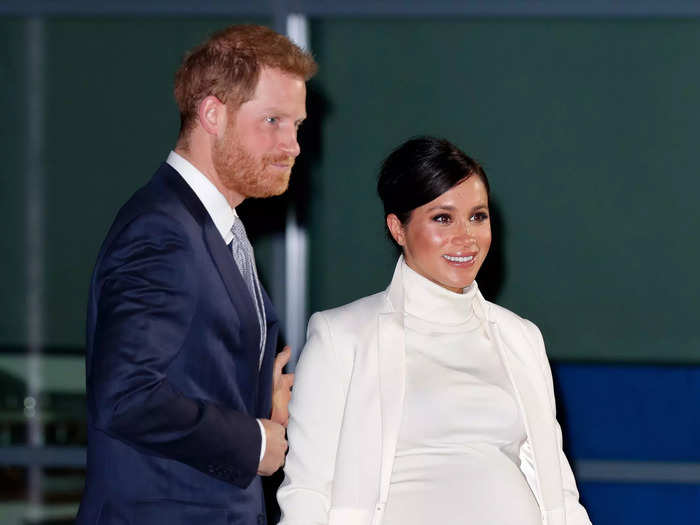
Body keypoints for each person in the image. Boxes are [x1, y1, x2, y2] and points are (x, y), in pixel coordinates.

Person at [277, 137, 592, 525]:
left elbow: (558, 489)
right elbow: (307, 490)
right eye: (443, 218)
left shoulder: (521, 337)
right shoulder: (341, 336)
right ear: (398, 228)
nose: (466, 237)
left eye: (478, 216)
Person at [76, 25, 317, 525]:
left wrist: (257, 399)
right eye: (273, 120)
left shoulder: (207, 227)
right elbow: (125, 397)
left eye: (297, 125)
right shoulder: (162, 230)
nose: (292, 145)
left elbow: (186, 376)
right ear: (212, 114)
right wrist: (253, 441)